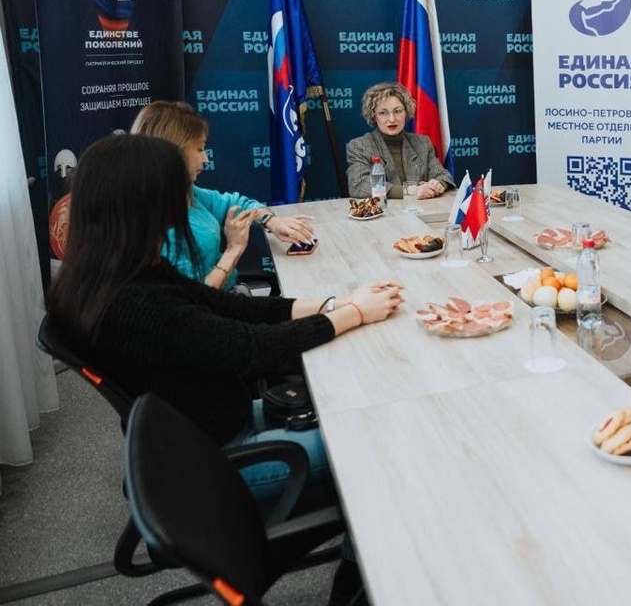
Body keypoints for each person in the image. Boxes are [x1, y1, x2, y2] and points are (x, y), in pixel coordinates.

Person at [43, 134, 405, 500]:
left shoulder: (118, 271)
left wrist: (335, 304)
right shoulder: (139, 304)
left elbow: (231, 307)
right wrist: (357, 314)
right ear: (144, 205)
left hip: (212, 424)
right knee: (383, 436)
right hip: (217, 464)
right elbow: (254, 348)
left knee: (357, 405)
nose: (184, 200)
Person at [131, 101, 315, 291]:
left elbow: (235, 203)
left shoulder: (187, 192)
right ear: (173, 152)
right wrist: (233, 249)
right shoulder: (158, 230)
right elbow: (193, 298)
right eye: (200, 149)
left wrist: (271, 221)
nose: (206, 159)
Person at [346, 82, 454, 200]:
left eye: (397, 111)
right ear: (374, 116)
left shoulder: (422, 143)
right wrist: (411, 191)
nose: (392, 119)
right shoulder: (360, 146)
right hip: (385, 211)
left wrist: (437, 185)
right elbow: (359, 185)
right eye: (383, 113)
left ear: (406, 112)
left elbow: (443, 175)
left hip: (420, 209)